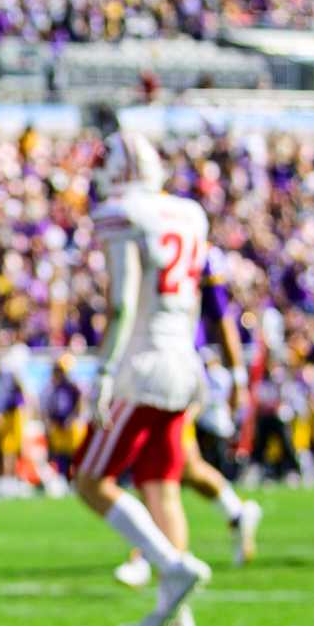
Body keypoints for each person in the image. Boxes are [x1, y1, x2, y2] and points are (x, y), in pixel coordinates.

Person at [66, 118, 214, 626]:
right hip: (183, 364)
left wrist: (105, 370)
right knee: (161, 486)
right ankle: (178, 614)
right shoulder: (190, 213)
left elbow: (123, 302)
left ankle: (172, 567)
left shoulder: (121, 213)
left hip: (142, 366)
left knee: (89, 480)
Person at [111, 240, 261, 587]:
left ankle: (146, 556)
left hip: (174, 369)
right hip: (152, 365)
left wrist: (237, 376)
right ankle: (237, 513)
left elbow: (220, 315)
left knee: (156, 464)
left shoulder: (193, 248)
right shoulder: (143, 241)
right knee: (186, 466)